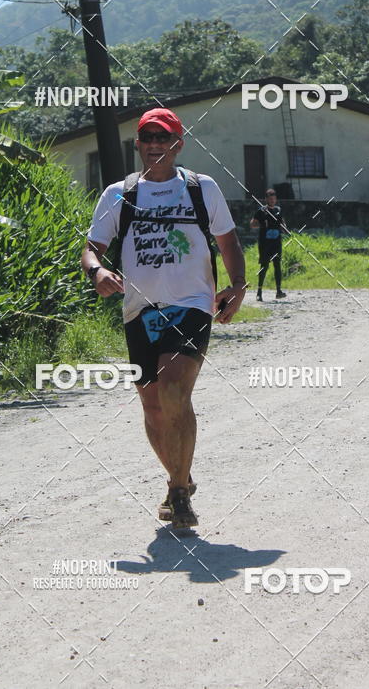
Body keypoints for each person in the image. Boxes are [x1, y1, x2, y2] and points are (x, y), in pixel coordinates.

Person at [82, 108, 246, 529]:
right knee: (153, 407)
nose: (155, 144)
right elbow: (92, 248)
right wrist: (97, 270)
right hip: (139, 309)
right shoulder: (119, 194)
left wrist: (237, 286)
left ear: (178, 144)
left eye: (164, 137)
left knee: (174, 390)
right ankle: (182, 478)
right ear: (137, 144)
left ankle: (177, 493)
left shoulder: (200, 189)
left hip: (191, 304)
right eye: (147, 137)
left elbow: (227, 241)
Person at [250, 188, 287, 301]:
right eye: (270, 199)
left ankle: (278, 291)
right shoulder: (261, 211)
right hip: (265, 243)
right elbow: (252, 224)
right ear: (266, 199)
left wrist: (284, 228)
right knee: (264, 266)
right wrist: (261, 223)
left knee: (277, 266)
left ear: (276, 199)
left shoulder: (278, 210)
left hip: (276, 243)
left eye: (274, 199)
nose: (272, 201)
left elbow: (283, 224)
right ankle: (259, 292)